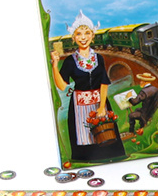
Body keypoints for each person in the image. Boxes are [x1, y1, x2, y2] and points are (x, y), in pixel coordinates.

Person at [50, 11, 125, 161]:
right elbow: (62, 86)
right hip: (79, 106)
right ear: (73, 38)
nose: (83, 37)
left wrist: (102, 107)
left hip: (99, 102)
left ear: (92, 35)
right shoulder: (70, 61)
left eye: (87, 33)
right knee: (83, 137)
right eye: (79, 34)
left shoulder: (99, 58)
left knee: (106, 134)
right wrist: (55, 65)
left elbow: (104, 83)